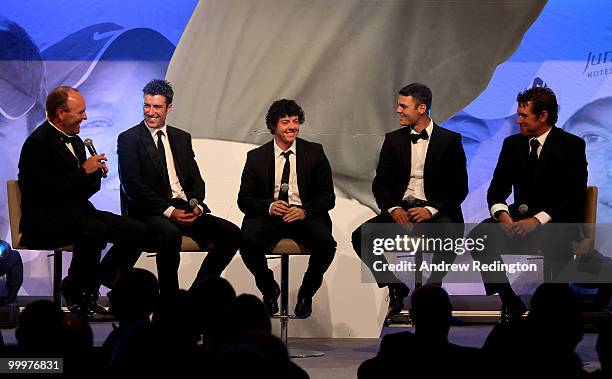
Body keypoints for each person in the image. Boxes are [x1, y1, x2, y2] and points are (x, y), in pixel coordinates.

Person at [17, 86, 148, 318]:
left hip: (77, 213)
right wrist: (82, 172)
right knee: (93, 229)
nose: (85, 117)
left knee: (136, 230)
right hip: (45, 219)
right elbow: (42, 193)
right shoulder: (36, 144)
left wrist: (94, 174)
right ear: (60, 113)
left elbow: (79, 193)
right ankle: (78, 291)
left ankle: (91, 282)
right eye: (80, 112)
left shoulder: (76, 141)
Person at [469, 86, 588, 324]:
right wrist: (502, 215)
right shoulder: (512, 145)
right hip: (517, 220)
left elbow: (573, 196)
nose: (518, 119)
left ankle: (552, 314)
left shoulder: (571, 145)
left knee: (558, 241)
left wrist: (537, 220)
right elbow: (497, 190)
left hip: (555, 222)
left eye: (524, 115)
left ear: (543, 116)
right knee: (480, 235)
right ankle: (509, 300)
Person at [351, 83, 468, 317]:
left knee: (451, 233)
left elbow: (458, 188)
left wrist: (432, 209)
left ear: (422, 108)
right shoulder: (393, 140)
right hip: (402, 212)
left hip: (435, 212)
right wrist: (394, 208)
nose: (398, 110)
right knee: (360, 236)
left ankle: (433, 290)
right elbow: (380, 184)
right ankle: (394, 287)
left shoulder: (450, 140)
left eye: (404, 106)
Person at [117, 79, 241, 297]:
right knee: (170, 234)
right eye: (147, 105)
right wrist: (169, 212)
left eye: (157, 107)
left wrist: (197, 206)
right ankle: (169, 301)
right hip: (150, 211)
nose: (150, 112)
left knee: (231, 234)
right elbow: (133, 187)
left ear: (169, 108)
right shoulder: (129, 138)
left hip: (183, 207)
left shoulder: (181, 137)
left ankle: (196, 295)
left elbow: (195, 180)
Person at [237, 99, 336, 319]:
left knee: (326, 245)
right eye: (285, 122)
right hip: (269, 217)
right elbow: (244, 200)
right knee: (246, 242)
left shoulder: (315, 152)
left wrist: (305, 210)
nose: (292, 127)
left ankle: (306, 293)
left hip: (304, 215)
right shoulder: (256, 157)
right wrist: (269, 206)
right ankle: (269, 288)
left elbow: (328, 197)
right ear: (273, 126)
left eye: (295, 121)